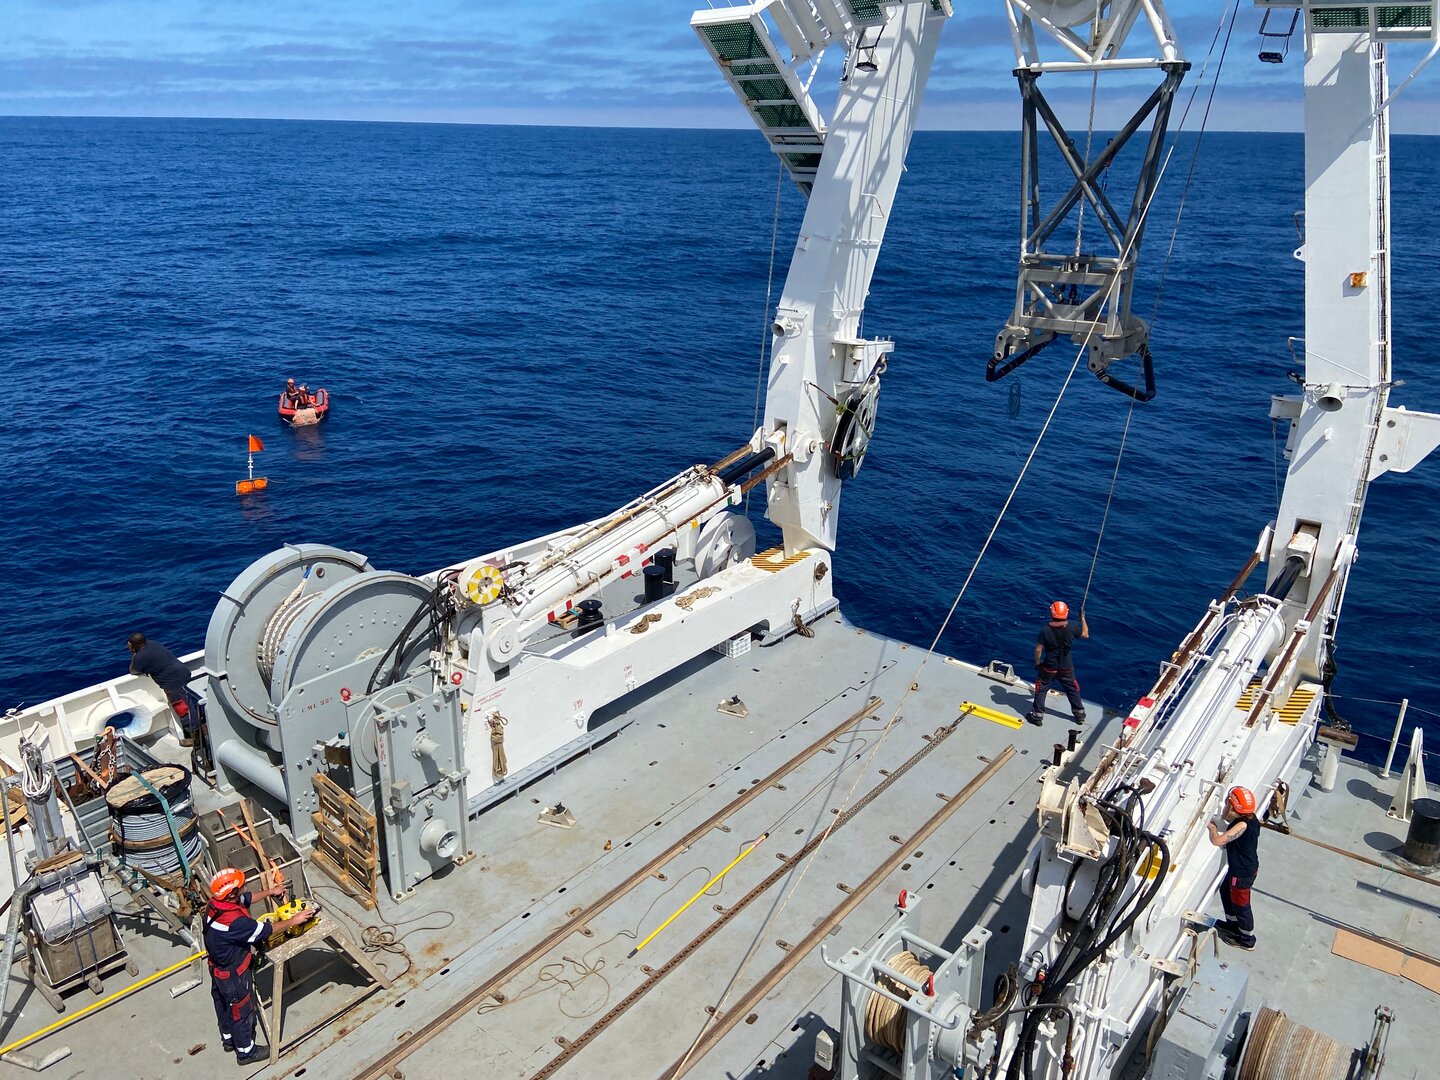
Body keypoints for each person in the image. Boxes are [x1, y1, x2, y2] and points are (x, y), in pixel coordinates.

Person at [203, 868, 318, 1064]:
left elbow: (245, 899)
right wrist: (294, 920)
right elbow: (264, 930)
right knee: (242, 1010)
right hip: (233, 974)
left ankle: (229, 1039)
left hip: (217, 968)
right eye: (241, 886)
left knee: (223, 1004)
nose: (245, 887)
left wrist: (270, 892)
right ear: (231, 893)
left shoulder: (216, 904)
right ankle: (246, 1052)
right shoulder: (235, 922)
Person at [1208, 785, 1261, 950]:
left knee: (1241, 904)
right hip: (1239, 868)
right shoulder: (1251, 819)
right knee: (1225, 891)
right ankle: (1232, 925)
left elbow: (1218, 841)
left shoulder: (1242, 825)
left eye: (1226, 803)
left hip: (1242, 872)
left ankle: (1246, 939)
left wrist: (1212, 829)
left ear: (1232, 806)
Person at [127, 632, 197, 745]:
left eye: (129, 644)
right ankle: (199, 729)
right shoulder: (153, 644)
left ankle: (196, 739)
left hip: (172, 683)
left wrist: (134, 654)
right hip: (183, 672)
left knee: (183, 710)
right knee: (190, 704)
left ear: (133, 645)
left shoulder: (140, 656)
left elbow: (133, 670)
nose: (127, 645)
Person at [1026, 601, 1088, 726]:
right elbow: (1085, 635)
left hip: (1050, 666)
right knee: (1072, 689)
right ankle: (1079, 714)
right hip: (1066, 667)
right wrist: (1082, 618)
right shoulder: (1072, 627)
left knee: (1041, 689)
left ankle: (1037, 716)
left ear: (1051, 612)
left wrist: (1037, 663)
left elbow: (1038, 649)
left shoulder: (1045, 630)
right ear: (1066, 613)